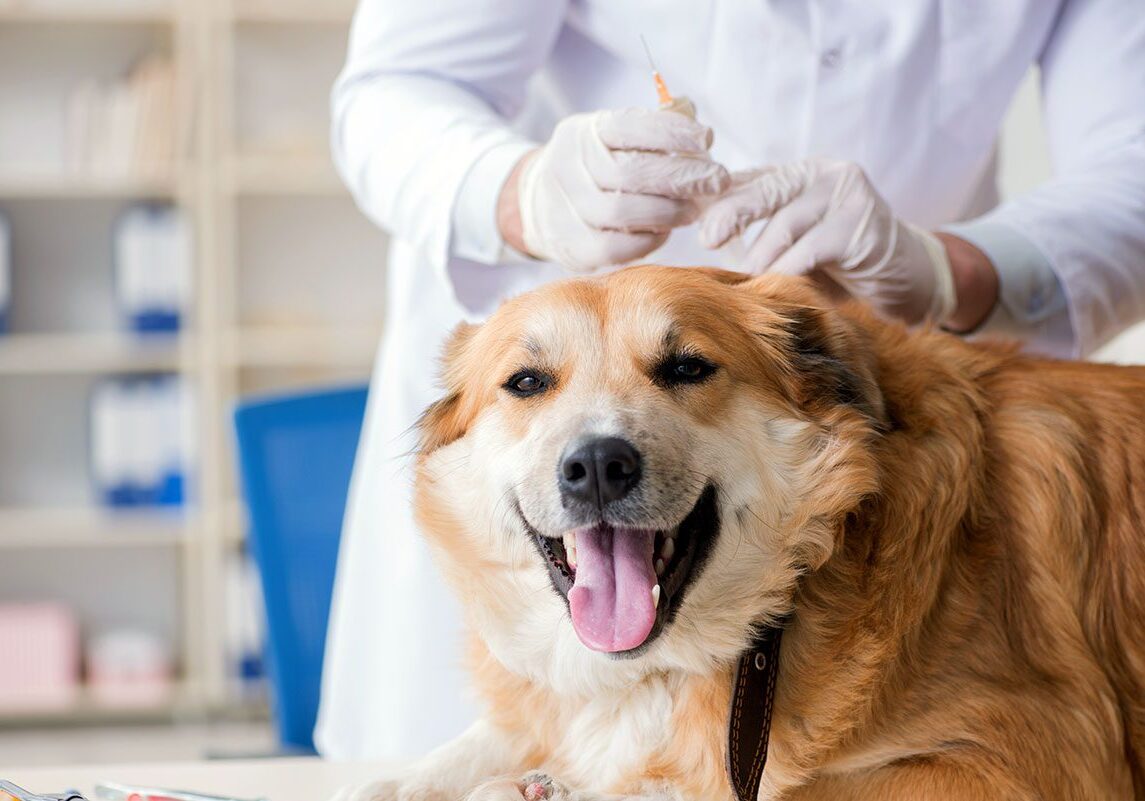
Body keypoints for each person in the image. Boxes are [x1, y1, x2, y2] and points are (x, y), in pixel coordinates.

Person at [316, 0, 1145, 760]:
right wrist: (523, 193)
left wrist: (946, 268)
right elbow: (395, 89)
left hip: (866, 394)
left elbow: (1133, 161)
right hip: (531, 293)